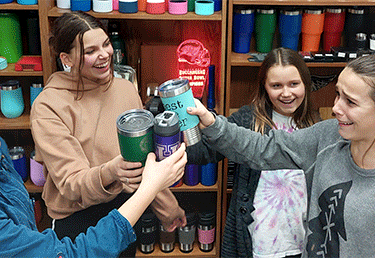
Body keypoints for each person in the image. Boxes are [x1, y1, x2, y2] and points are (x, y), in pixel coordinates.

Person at [30, 11, 186, 256]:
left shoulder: (124, 89)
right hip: (77, 224)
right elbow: (71, 184)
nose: (104, 54)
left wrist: (168, 208)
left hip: (125, 212)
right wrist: (111, 171)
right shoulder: (48, 106)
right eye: (90, 51)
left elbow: (143, 163)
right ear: (66, 58)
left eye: (105, 44)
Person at [188, 53, 375, 257]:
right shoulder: (327, 134)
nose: (336, 107)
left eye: (351, 102)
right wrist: (209, 122)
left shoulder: (317, 123)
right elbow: (262, 148)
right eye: (338, 94)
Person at [187, 47, 320, 258]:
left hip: (301, 244)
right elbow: (205, 153)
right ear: (265, 87)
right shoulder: (248, 119)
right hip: (256, 244)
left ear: (306, 83)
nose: (286, 93)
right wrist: (176, 131)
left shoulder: (316, 126)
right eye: (276, 86)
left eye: (294, 84)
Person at [0, 136, 187, 257]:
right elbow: (71, 254)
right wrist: (148, 188)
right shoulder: (49, 103)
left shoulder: (1, 148)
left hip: (117, 223)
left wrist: (164, 201)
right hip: (81, 225)